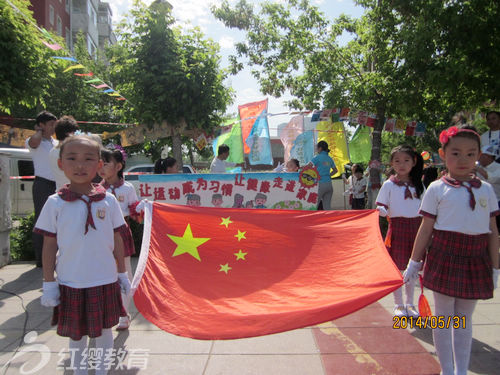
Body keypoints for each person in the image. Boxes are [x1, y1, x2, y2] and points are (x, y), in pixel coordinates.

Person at [404, 125, 499, 375]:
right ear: (443, 154)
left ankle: (461, 371)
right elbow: (425, 229)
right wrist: (414, 263)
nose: (463, 160)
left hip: (476, 259)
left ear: (478, 155)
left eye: (471, 154)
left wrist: (495, 267)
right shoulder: (437, 188)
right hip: (445, 256)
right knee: (445, 317)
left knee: (464, 319)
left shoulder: (486, 190)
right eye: (455, 153)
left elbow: (492, 232)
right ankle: (447, 370)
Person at [34, 135, 130, 375]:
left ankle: (101, 371)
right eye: (72, 158)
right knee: (77, 335)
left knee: (105, 331)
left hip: (105, 279)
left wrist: (122, 273)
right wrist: (49, 282)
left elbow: (118, 238)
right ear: (60, 164)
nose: (80, 165)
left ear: (99, 165)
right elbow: (49, 244)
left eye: (88, 159)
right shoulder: (55, 203)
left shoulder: (107, 200)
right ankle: (78, 371)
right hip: (71, 281)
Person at [376, 145, 424, 318]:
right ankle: (398, 304)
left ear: (413, 162)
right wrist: (379, 211)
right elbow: (382, 206)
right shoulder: (389, 185)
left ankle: (410, 303)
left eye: (406, 160)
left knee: (412, 268)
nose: (401, 164)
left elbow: (425, 208)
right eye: (397, 161)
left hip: (417, 229)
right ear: (391, 163)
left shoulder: (419, 184)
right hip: (397, 229)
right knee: (397, 268)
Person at [99, 146, 140, 331]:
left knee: (124, 274)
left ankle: (124, 312)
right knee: (102, 273)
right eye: (100, 162)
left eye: (106, 163)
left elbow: (134, 212)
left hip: (121, 232)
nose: (102, 166)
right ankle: (105, 311)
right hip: (100, 235)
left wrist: (140, 210)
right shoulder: (96, 189)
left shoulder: (127, 188)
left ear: (118, 166)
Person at [25, 110, 58, 267]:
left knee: (56, 219)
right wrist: (38, 131)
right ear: (41, 125)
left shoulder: (55, 142)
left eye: (54, 124)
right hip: (42, 184)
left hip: (56, 183)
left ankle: (55, 255)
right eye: (50, 124)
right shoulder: (34, 141)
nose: (53, 127)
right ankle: (40, 258)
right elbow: (33, 143)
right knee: (41, 219)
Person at [49, 115, 79, 190]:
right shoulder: (72, 152)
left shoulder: (52, 151)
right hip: (74, 192)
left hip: (60, 192)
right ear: (69, 133)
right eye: (75, 132)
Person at [476, 144, 500, 231]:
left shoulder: (498, 168)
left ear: (489, 156)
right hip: (481, 202)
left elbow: (491, 178)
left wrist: (476, 168)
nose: (478, 158)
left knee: (495, 228)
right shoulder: (479, 167)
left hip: (497, 202)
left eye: (481, 156)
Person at [311, 141, 337, 210]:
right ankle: (329, 220)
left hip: (320, 184)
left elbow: (307, 167)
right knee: (327, 207)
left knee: (313, 205)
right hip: (329, 184)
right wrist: (328, 175)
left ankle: (312, 220)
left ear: (320, 148)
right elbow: (335, 170)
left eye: (317, 148)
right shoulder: (329, 158)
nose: (316, 149)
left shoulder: (317, 158)